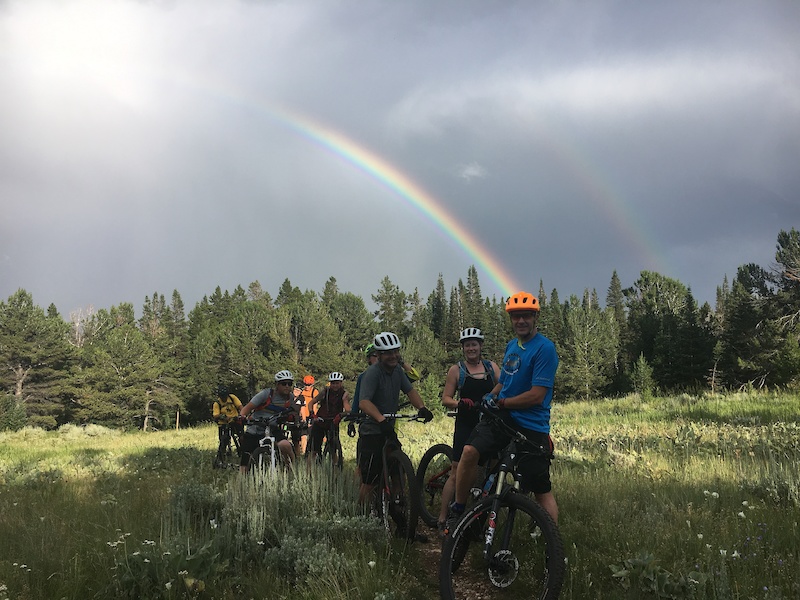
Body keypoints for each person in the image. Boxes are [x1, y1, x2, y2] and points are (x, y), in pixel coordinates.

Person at [444, 292, 560, 534]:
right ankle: (459, 509)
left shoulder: (545, 349)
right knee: (468, 452)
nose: (521, 321)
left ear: (535, 317)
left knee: (541, 489)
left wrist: (502, 403)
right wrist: (491, 396)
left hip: (532, 424)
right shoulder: (512, 346)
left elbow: (537, 395)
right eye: (516, 316)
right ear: (511, 319)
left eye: (526, 316)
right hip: (504, 418)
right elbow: (504, 382)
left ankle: (551, 543)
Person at [356, 331, 434, 505]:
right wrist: (380, 419)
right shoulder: (373, 373)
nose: (393, 356)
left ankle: (399, 506)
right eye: (388, 353)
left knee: (399, 470)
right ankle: (363, 516)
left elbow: (410, 391)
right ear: (379, 355)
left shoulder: (398, 371)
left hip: (387, 429)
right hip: (372, 431)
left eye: (395, 351)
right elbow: (363, 402)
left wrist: (422, 408)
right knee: (370, 481)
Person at [437, 328, 500, 532]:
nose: (471, 348)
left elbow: (504, 387)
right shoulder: (457, 370)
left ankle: (477, 518)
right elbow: (446, 399)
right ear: (463, 348)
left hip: (489, 425)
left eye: (474, 344)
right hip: (466, 424)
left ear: (481, 346)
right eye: (467, 345)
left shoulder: (491, 368)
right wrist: (459, 403)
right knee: (457, 472)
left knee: (490, 471)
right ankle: (443, 517)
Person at [238, 370, 300, 473]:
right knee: (246, 457)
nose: (287, 386)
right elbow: (246, 409)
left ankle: (291, 472)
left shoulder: (290, 398)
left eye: (289, 383)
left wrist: (292, 417)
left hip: (273, 428)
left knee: (285, 445)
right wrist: (242, 417)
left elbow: (293, 412)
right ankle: (241, 482)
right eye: (283, 383)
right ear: (277, 384)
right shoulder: (266, 394)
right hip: (256, 427)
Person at [308, 371, 351, 465]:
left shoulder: (344, 394)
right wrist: (313, 415)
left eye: (337, 383)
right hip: (320, 421)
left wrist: (344, 403)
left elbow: (348, 410)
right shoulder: (325, 392)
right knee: (313, 449)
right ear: (330, 383)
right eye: (333, 383)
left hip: (333, 422)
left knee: (333, 450)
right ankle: (308, 472)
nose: (335, 385)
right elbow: (311, 403)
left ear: (341, 383)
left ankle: (334, 471)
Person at [212, 384, 243, 464]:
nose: (224, 398)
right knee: (223, 441)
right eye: (222, 396)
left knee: (242, 436)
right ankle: (221, 458)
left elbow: (240, 406)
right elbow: (216, 415)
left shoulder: (232, 398)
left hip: (235, 420)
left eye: (225, 396)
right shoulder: (217, 403)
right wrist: (224, 417)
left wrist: (242, 414)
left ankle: (243, 451)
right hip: (223, 423)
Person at [294, 374, 319, 455]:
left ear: (312, 385)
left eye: (309, 385)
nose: (307, 387)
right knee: (302, 435)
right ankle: (303, 453)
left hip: (311, 415)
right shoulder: (301, 391)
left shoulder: (314, 392)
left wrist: (313, 416)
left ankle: (309, 451)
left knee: (311, 434)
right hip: (302, 415)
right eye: (306, 385)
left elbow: (315, 405)